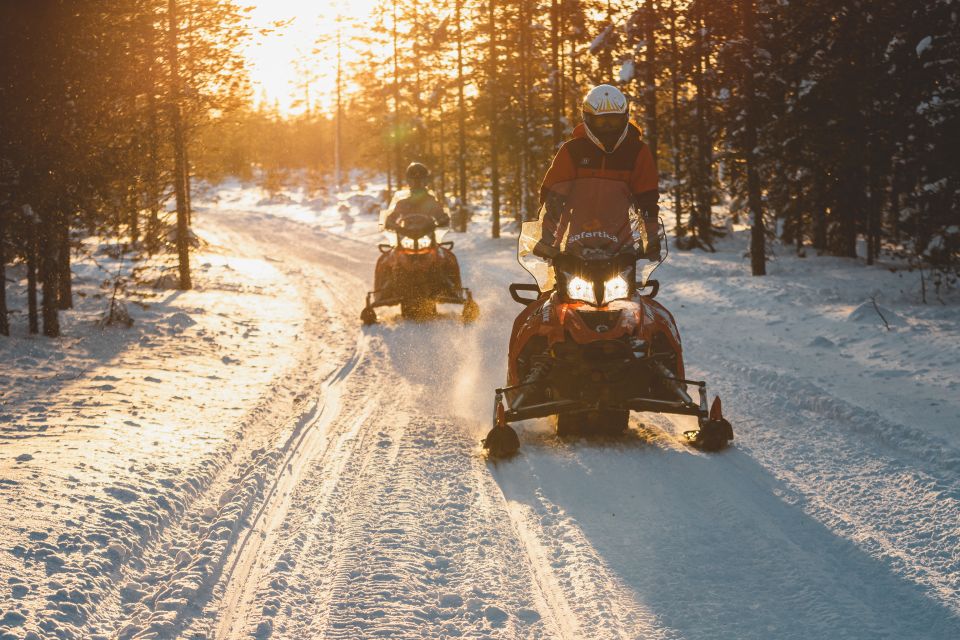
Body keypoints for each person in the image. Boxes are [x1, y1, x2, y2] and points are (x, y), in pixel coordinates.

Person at [538, 84, 661, 260]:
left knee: (630, 287)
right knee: (561, 285)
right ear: (588, 119)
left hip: (622, 245)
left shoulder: (636, 152)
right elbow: (553, 197)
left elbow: (647, 200)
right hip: (575, 242)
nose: (608, 128)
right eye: (601, 122)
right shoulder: (572, 151)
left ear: (625, 118)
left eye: (614, 121)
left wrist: (652, 239)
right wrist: (547, 238)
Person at [383, 162, 450, 230]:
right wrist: (390, 223)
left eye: (420, 181)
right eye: (413, 181)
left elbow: (441, 216)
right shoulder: (402, 203)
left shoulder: (431, 202)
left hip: (428, 236)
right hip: (406, 236)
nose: (417, 184)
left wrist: (443, 220)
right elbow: (393, 217)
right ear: (408, 181)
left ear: (426, 181)